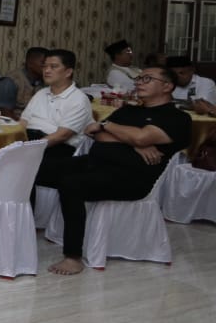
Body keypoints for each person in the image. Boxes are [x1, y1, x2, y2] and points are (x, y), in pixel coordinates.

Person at [49, 66, 190, 276]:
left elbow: (140, 136)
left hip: (132, 178)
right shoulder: (130, 109)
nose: (139, 82)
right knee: (40, 168)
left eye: (147, 78)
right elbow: (95, 133)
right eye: (139, 78)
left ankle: (72, 256)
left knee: (72, 184)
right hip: (97, 163)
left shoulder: (176, 118)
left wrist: (111, 127)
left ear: (167, 86)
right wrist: (131, 141)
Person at [24, 49, 94, 193]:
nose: (47, 70)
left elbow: (62, 135)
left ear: (68, 72)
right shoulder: (41, 93)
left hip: (59, 149)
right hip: (31, 141)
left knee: (23, 168)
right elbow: (23, 123)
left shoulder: (79, 99)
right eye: (45, 66)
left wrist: (30, 149)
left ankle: (26, 213)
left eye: (53, 66)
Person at [0, 46, 47, 118]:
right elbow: (5, 114)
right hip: (17, 125)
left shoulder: (46, 80)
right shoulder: (9, 82)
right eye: (43, 63)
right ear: (30, 63)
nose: (47, 67)